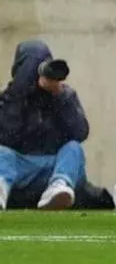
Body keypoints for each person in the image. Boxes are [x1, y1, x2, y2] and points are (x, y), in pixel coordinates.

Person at [0, 40, 89, 211]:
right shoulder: (9, 98)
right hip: (19, 168)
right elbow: (6, 136)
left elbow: (80, 132)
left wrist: (59, 97)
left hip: (53, 167)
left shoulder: (63, 95)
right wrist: (19, 95)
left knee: (74, 149)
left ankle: (58, 189)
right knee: (2, 153)